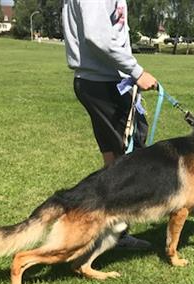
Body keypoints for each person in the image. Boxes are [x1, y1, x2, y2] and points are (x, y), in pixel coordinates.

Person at [62, 0, 158, 249]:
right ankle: (111, 232)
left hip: (106, 80)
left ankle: (111, 229)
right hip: (102, 83)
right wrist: (136, 71)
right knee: (123, 163)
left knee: (117, 160)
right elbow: (98, 36)